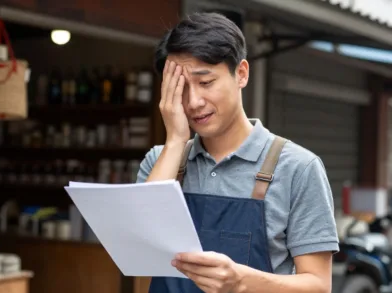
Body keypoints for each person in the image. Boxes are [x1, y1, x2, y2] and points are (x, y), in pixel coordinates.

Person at [136, 12, 338, 293]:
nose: (193, 102)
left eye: (205, 82)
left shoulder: (298, 168)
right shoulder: (159, 160)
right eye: (181, 88)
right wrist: (175, 142)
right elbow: (141, 249)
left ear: (241, 73)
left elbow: (318, 285)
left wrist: (243, 281)